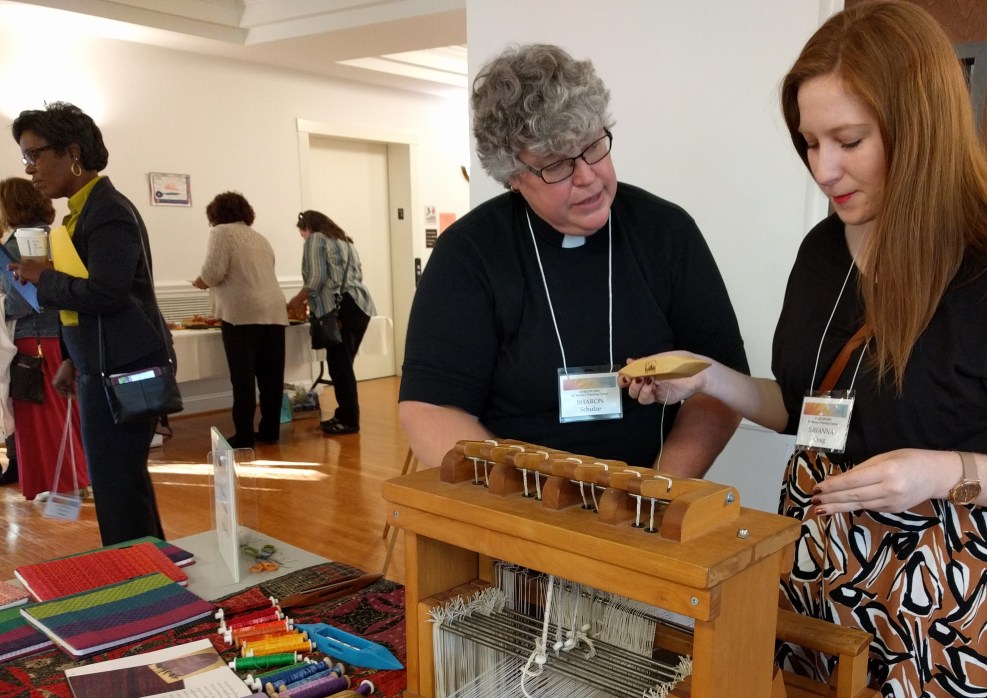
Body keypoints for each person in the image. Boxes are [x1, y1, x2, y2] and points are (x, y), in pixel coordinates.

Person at [623, 1, 987, 698]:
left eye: (848, 142)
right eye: (810, 143)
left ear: (919, 124)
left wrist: (944, 470)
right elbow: (803, 406)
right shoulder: (824, 249)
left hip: (938, 603)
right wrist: (705, 379)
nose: (824, 170)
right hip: (815, 574)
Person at [397, 43, 749, 475]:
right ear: (512, 176)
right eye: (557, 165)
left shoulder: (666, 233)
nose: (587, 177)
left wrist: (659, 491)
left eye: (593, 146)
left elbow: (723, 386)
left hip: (649, 507)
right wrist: (524, 502)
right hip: (516, 512)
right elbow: (429, 408)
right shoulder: (469, 254)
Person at [9, 102, 171, 545]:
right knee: (121, 483)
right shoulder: (80, 212)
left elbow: (106, 292)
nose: (29, 169)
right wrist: (71, 358)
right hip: (100, 363)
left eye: (34, 155)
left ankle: (139, 585)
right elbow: (88, 299)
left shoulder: (108, 210)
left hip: (125, 367)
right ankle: (149, 575)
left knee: (118, 485)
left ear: (72, 151)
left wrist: (43, 276)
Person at [0, 177, 91, 499]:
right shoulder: (56, 236)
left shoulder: (16, 245)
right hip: (64, 335)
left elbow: (23, 299)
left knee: (42, 417)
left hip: (34, 336)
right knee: (67, 412)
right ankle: (75, 480)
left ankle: (64, 485)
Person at [193, 191, 288, 449]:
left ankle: (244, 436)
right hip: (275, 311)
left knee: (243, 379)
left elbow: (213, 272)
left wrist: (199, 282)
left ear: (215, 214)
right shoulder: (260, 238)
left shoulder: (222, 232)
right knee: (271, 378)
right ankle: (270, 430)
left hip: (242, 313)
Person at [286, 210, 375, 436]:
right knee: (343, 366)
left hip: (339, 309)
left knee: (340, 368)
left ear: (308, 227)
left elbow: (315, 279)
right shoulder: (345, 241)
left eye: (302, 233)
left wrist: (296, 300)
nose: (303, 238)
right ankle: (342, 414)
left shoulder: (316, 239)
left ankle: (349, 421)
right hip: (359, 306)